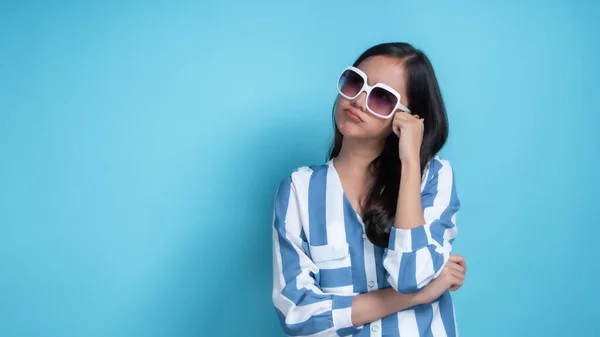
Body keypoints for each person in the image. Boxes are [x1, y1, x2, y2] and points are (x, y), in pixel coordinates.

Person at [271, 42, 466, 337]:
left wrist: (411, 162)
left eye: (382, 98)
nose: (359, 101)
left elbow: (410, 275)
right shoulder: (299, 190)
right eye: (355, 82)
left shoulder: (434, 178)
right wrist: (414, 297)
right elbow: (298, 315)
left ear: (407, 117)